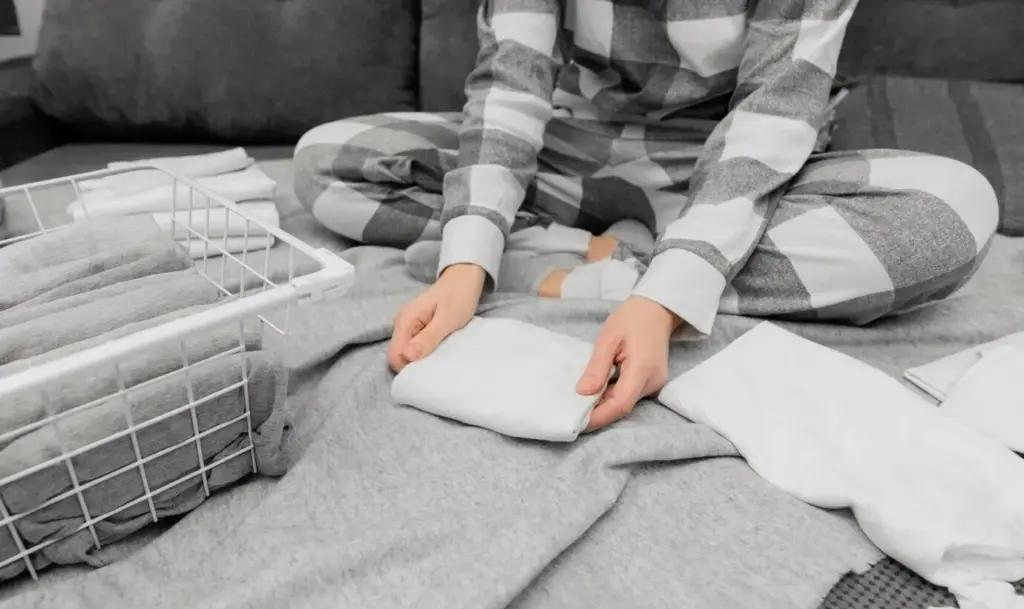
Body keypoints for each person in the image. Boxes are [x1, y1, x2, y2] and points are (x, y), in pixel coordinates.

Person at [294, 0, 998, 431]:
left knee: (952, 215)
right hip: (574, 151)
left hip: (735, 164)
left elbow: (772, 116)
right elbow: (511, 82)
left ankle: (606, 272)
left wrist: (661, 304)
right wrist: (465, 263)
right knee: (327, 162)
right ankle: (624, 263)